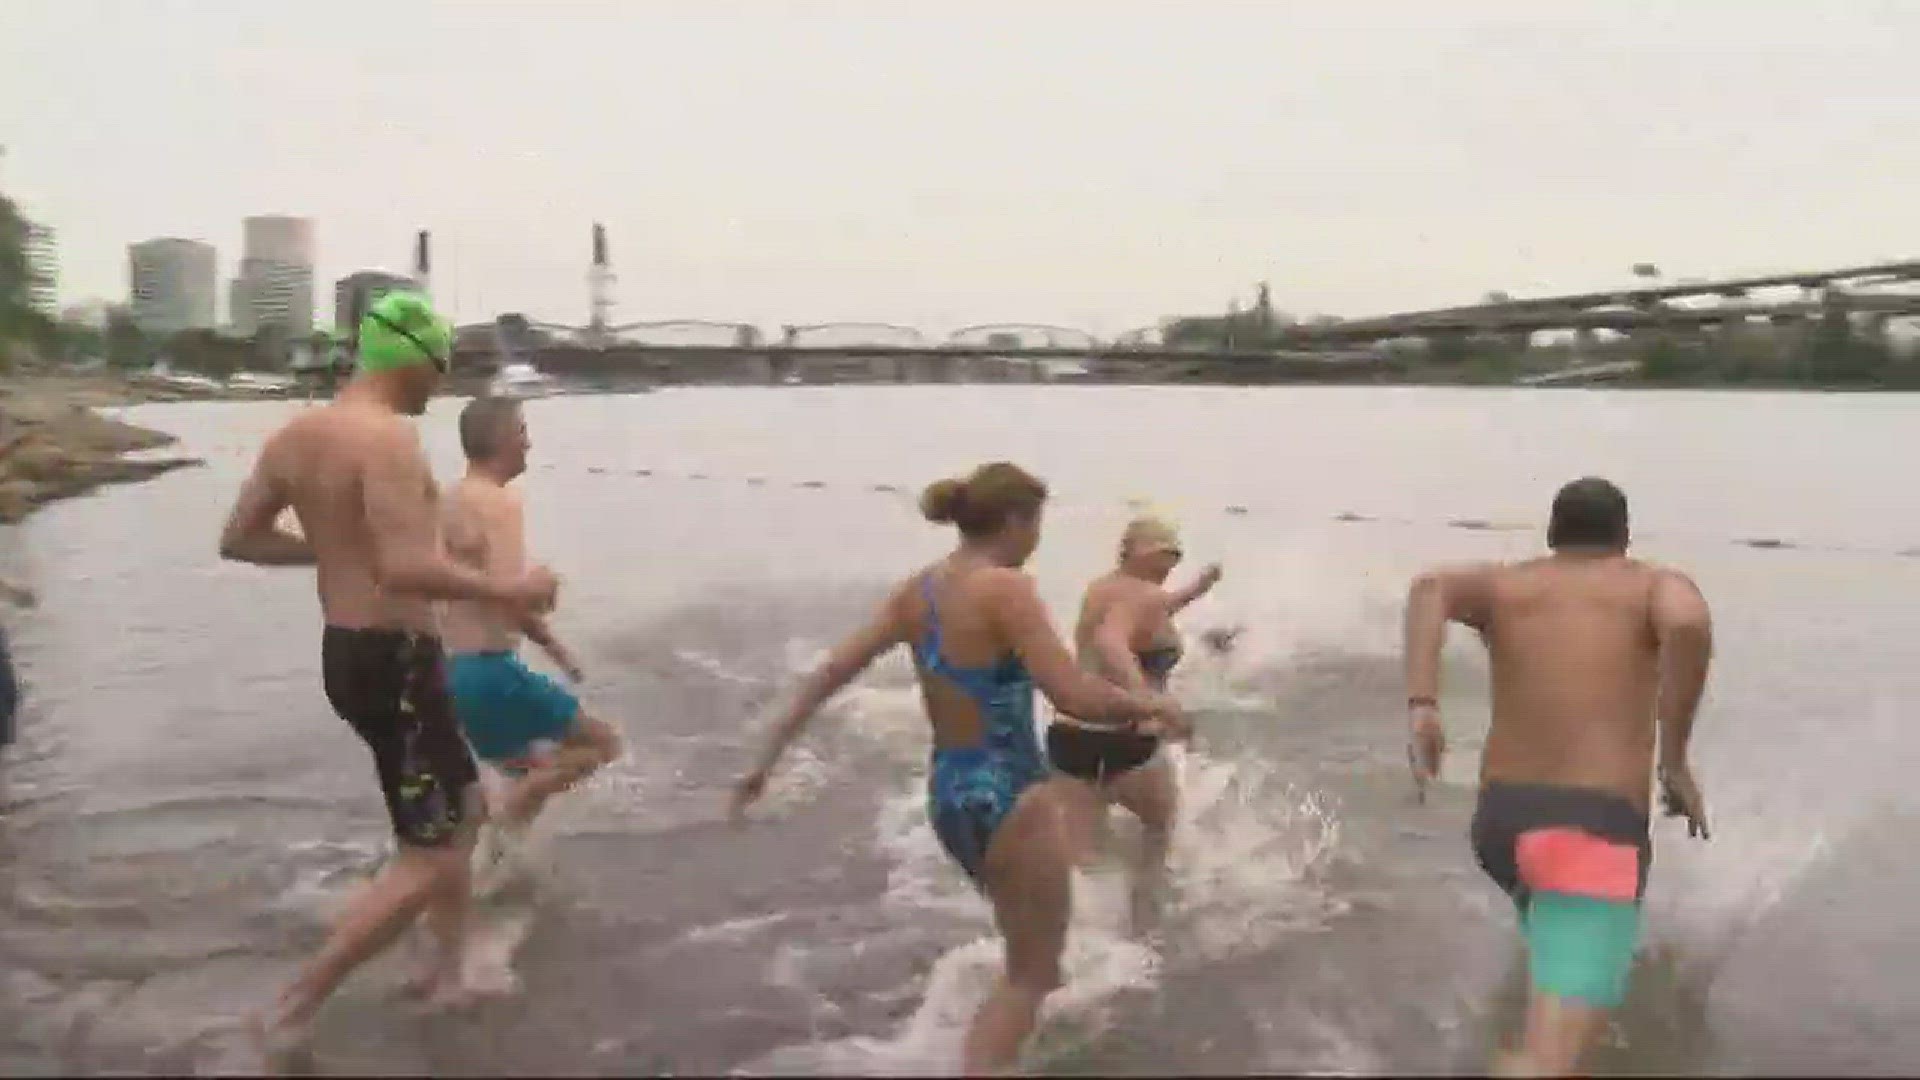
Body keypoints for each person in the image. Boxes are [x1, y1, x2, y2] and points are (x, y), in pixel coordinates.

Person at [728, 462, 1184, 1075]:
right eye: (1037, 523)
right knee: (1032, 977)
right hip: (1012, 795)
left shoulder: (918, 591)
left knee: (1026, 959)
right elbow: (1072, 694)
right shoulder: (1007, 587)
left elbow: (833, 671)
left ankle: (986, 1045)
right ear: (1018, 520)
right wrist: (1149, 704)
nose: (1037, 539)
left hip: (949, 794)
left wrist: (764, 762)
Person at [217, 291, 559, 1068]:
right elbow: (408, 566)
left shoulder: (295, 435)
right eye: (438, 367)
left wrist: (337, 551)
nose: (439, 385)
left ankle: (449, 971)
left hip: (350, 651)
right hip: (394, 658)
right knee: (432, 853)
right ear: (408, 354)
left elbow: (240, 539)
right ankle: (291, 1007)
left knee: (462, 813)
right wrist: (510, 590)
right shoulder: (388, 439)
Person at [1402, 476, 1713, 1077]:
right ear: (1625, 537)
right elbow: (1689, 625)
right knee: (1551, 1063)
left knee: (1557, 1037)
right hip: (1589, 836)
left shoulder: (1506, 585)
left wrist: (1423, 703)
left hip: (1501, 826)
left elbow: (1429, 587)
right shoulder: (1652, 583)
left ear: (1551, 534)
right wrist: (1672, 762)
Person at [440, 395, 622, 845]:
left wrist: (554, 649)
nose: (529, 443)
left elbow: (480, 591)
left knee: (527, 770)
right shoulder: (499, 503)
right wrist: (543, 592)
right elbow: (509, 596)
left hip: (448, 672)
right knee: (600, 745)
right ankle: (503, 831)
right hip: (489, 672)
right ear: (501, 439)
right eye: (521, 432)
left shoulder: (450, 500)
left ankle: (491, 870)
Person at [1046, 513, 1223, 935]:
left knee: (1081, 867)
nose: (1171, 565)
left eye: (1176, 556)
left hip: (1070, 738)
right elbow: (1113, 641)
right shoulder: (1144, 595)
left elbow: (1142, 614)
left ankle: (1079, 951)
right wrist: (1147, 697)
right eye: (1165, 555)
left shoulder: (1105, 587)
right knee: (1158, 835)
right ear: (1140, 553)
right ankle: (1144, 933)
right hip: (1127, 742)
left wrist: (1197, 589)